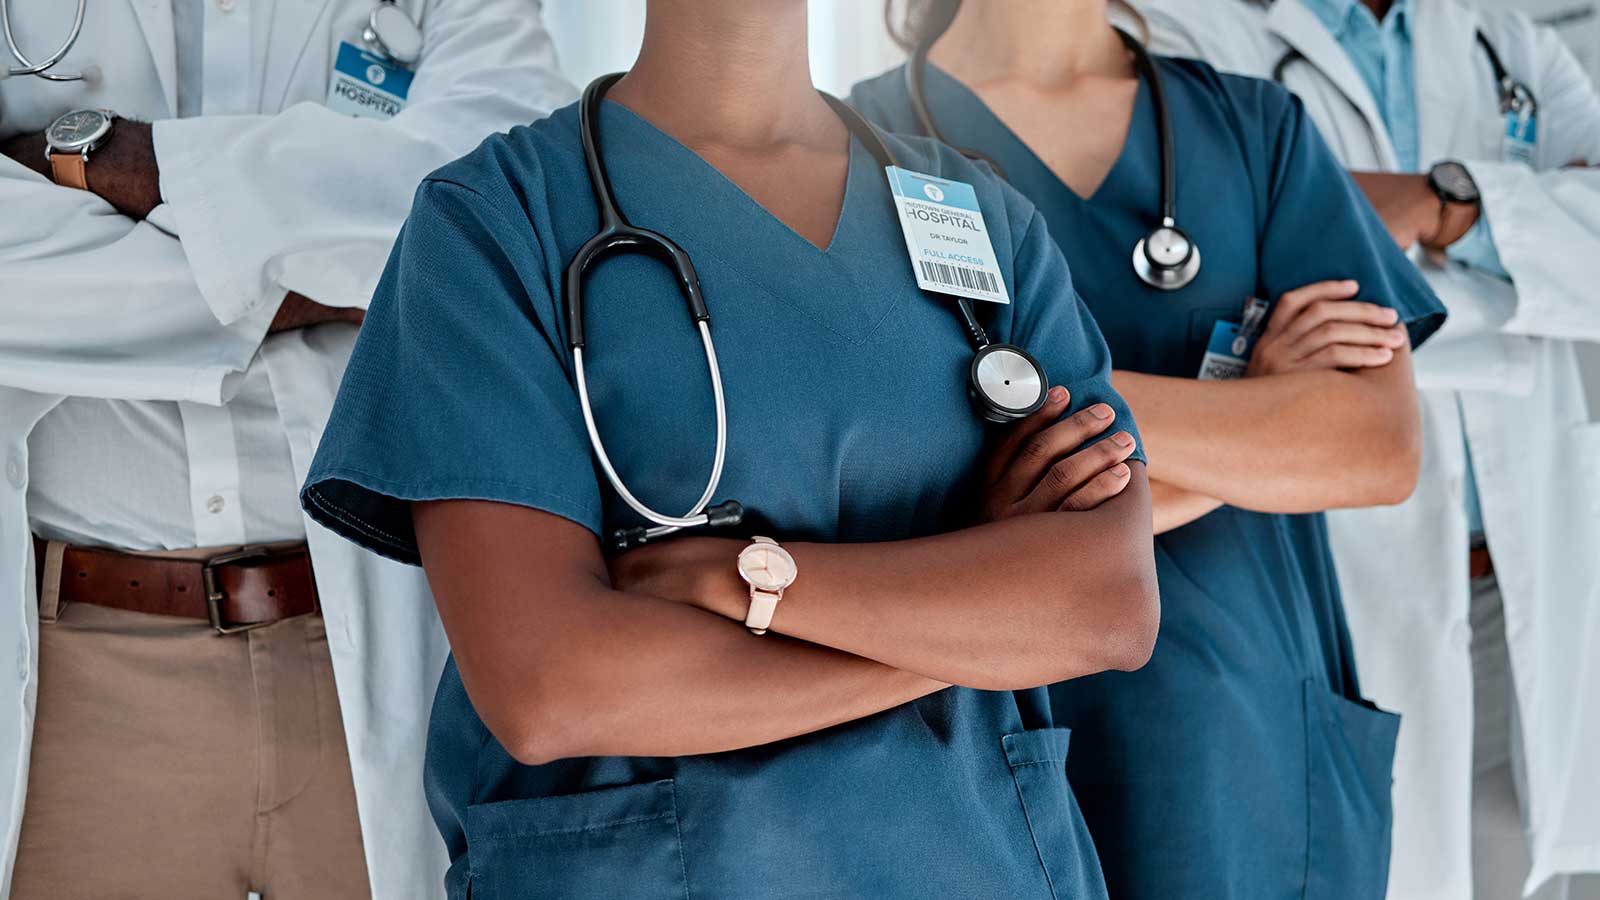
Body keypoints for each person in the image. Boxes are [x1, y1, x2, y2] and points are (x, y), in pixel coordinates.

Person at [298, 0, 1165, 896]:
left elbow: (1105, 608)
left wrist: (747, 579)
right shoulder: (496, 221)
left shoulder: (982, 215)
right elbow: (551, 689)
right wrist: (984, 620)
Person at [852, 1, 1446, 897]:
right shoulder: (848, 148)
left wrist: (1012, 399)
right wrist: (1252, 413)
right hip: (1001, 757)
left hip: (1251, 758)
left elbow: (1374, 447)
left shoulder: (1253, 127)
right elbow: (905, 474)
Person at [0, 1, 573, 896]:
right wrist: (331, 275)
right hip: (88, 680)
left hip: (369, 658)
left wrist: (117, 161)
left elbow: (508, 203)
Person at [1133, 1, 1600, 897]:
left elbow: (1350, 320)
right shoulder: (1196, 37)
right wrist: (1525, 270)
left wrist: (1439, 202)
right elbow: (1259, 301)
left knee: (1515, 869)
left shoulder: (1510, 42)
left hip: (1518, 580)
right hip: (1344, 577)